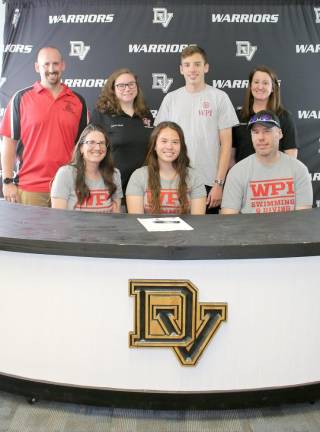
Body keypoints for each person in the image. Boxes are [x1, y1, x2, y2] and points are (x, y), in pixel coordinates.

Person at [0, 46, 88, 207]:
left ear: (63, 65)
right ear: (37, 67)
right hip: (30, 188)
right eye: (46, 64)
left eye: (55, 64)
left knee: (67, 233)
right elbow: (8, 142)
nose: (52, 69)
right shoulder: (21, 98)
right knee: (29, 233)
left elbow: (82, 146)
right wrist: (7, 181)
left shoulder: (78, 101)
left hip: (69, 186)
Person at [155, 45, 238, 213]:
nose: (192, 69)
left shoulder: (220, 98)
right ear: (181, 69)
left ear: (206, 67)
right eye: (187, 65)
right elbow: (160, 144)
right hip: (175, 182)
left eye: (197, 64)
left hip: (209, 183)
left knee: (207, 236)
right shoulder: (171, 99)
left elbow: (226, 145)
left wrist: (219, 184)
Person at [221, 110, 312, 215]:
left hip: (288, 230)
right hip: (250, 231)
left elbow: (303, 219)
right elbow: (229, 220)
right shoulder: (237, 172)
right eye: (255, 132)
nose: (261, 138)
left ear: (280, 133)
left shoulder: (299, 170)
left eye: (267, 131)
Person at [91, 68, 153, 192]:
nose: (127, 88)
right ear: (112, 89)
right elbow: (90, 149)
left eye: (131, 84)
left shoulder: (145, 114)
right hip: (112, 186)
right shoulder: (102, 114)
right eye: (121, 85)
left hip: (143, 187)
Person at [126, 121, 206, 215]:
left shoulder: (194, 177)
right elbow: (136, 221)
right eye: (164, 141)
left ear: (181, 147)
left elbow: (197, 221)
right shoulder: (138, 176)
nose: (169, 146)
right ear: (154, 145)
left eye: (175, 142)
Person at [232, 65, 298, 164]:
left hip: (275, 178)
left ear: (272, 88)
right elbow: (230, 157)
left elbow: (291, 155)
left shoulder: (284, 117)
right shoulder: (237, 116)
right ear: (250, 86)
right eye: (256, 82)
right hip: (244, 178)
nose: (260, 87)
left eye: (265, 83)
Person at [51, 124, 122, 212]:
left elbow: (116, 216)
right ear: (81, 148)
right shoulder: (66, 173)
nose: (97, 147)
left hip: (106, 226)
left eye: (102, 143)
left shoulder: (114, 174)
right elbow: (58, 218)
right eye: (91, 142)